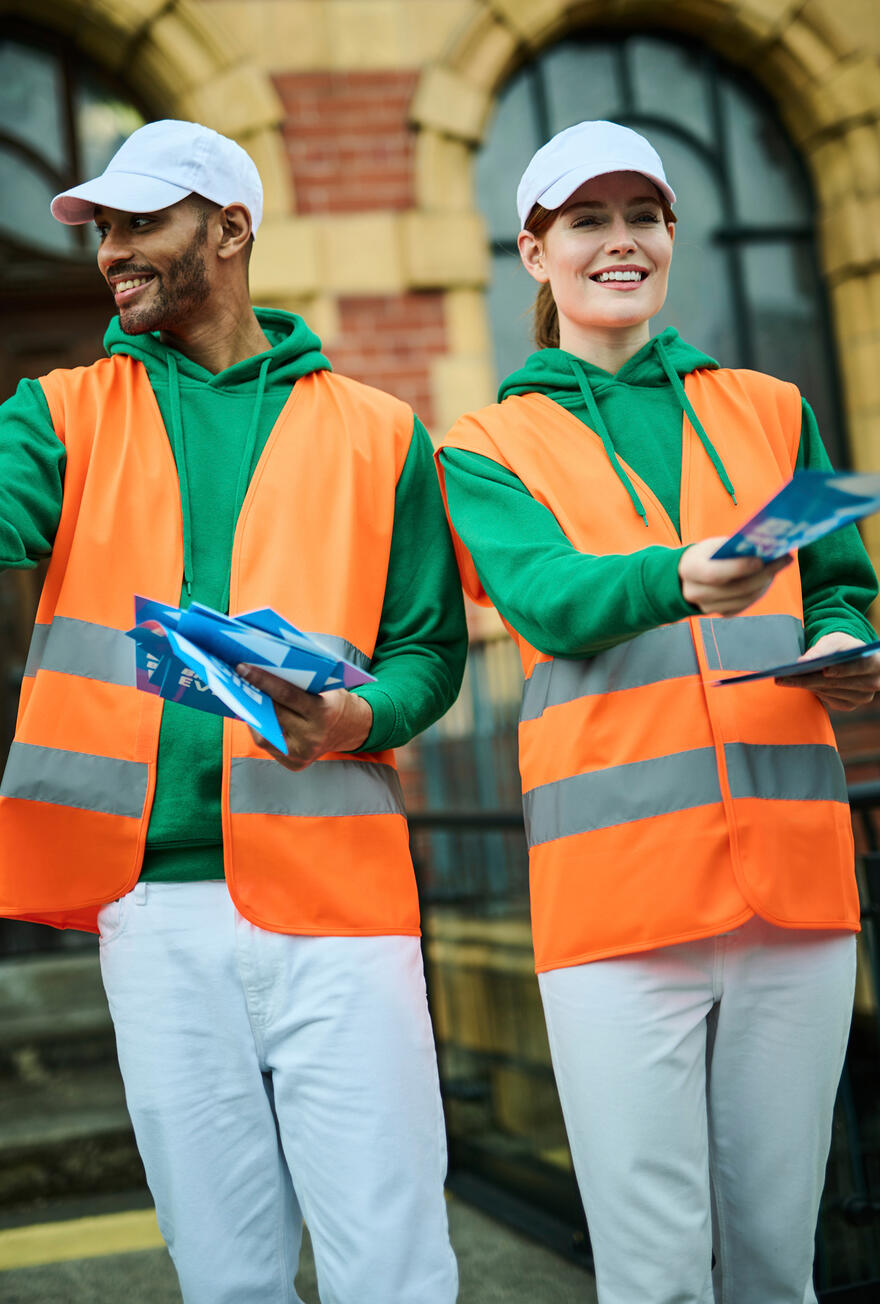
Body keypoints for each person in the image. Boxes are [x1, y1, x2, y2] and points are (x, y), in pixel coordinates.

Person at [0, 119, 465, 1304]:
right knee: (224, 1272)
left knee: (392, 1262)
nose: (112, 253)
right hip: (151, 901)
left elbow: (429, 650)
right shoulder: (61, 409)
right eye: (103, 231)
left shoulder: (380, 429)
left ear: (231, 230)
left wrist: (359, 716)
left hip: (342, 897)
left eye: (142, 224)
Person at [436, 119, 880, 1302]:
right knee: (658, 1270)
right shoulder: (484, 443)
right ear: (534, 253)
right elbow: (542, 595)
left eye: (641, 217)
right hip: (617, 906)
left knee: (778, 1261)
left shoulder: (772, 408)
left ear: (672, 233)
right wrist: (679, 574)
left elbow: (840, 577)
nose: (618, 242)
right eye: (586, 221)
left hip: (795, 886)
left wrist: (844, 640)